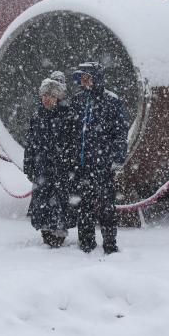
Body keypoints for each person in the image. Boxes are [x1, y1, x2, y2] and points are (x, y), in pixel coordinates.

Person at [69, 62, 130, 254]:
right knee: (84, 205)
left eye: (87, 77)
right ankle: (86, 242)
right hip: (81, 165)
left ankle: (110, 244)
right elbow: (71, 132)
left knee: (106, 206)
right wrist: (71, 157)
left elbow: (120, 133)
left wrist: (117, 159)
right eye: (81, 78)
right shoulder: (77, 100)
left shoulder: (111, 101)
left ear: (96, 78)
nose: (83, 82)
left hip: (102, 165)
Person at [23, 77, 77, 247]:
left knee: (60, 202)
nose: (47, 98)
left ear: (58, 97)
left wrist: (70, 164)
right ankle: (45, 230)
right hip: (42, 167)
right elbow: (30, 143)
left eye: (51, 95)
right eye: (44, 95)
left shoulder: (68, 116)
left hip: (61, 169)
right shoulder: (37, 116)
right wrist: (29, 163)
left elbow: (73, 143)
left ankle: (59, 232)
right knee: (42, 201)